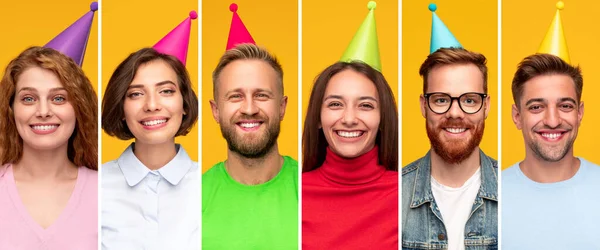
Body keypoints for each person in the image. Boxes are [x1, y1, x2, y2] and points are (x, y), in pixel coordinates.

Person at [0, 46, 98, 249]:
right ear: (11, 109)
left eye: (59, 98)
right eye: (28, 99)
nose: (43, 111)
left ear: (79, 108)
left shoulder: (107, 191)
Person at [101, 48, 199, 249]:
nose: (152, 105)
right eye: (136, 94)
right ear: (121, 108)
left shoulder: (208, 185)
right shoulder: (94, 187)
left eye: (166, 91)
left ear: (185, 104)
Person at [202, 43, 298, 249]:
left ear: (282, 107)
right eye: (235, 96)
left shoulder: (310, 191)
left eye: (261, 95)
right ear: (216, 110)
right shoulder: (190, 199)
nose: (249, 109)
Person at [402, 48, 498, 249]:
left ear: (486, 106)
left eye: (469, 100)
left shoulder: (513, 193)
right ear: (423, 105)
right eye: (441, 100)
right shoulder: (396, 195)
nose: (455, 113)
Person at [502, 53, 600, 249]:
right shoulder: (491, 198)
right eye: (537, 107)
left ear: (579, 113)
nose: (553, 121)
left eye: (565, 106)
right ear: (517, 116)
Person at [302, 61, 398, 249]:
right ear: (318, 118)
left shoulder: (404, 194)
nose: (349, 119)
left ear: (382, 119)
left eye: (365, 105)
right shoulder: (295, 193)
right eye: (336, 104)